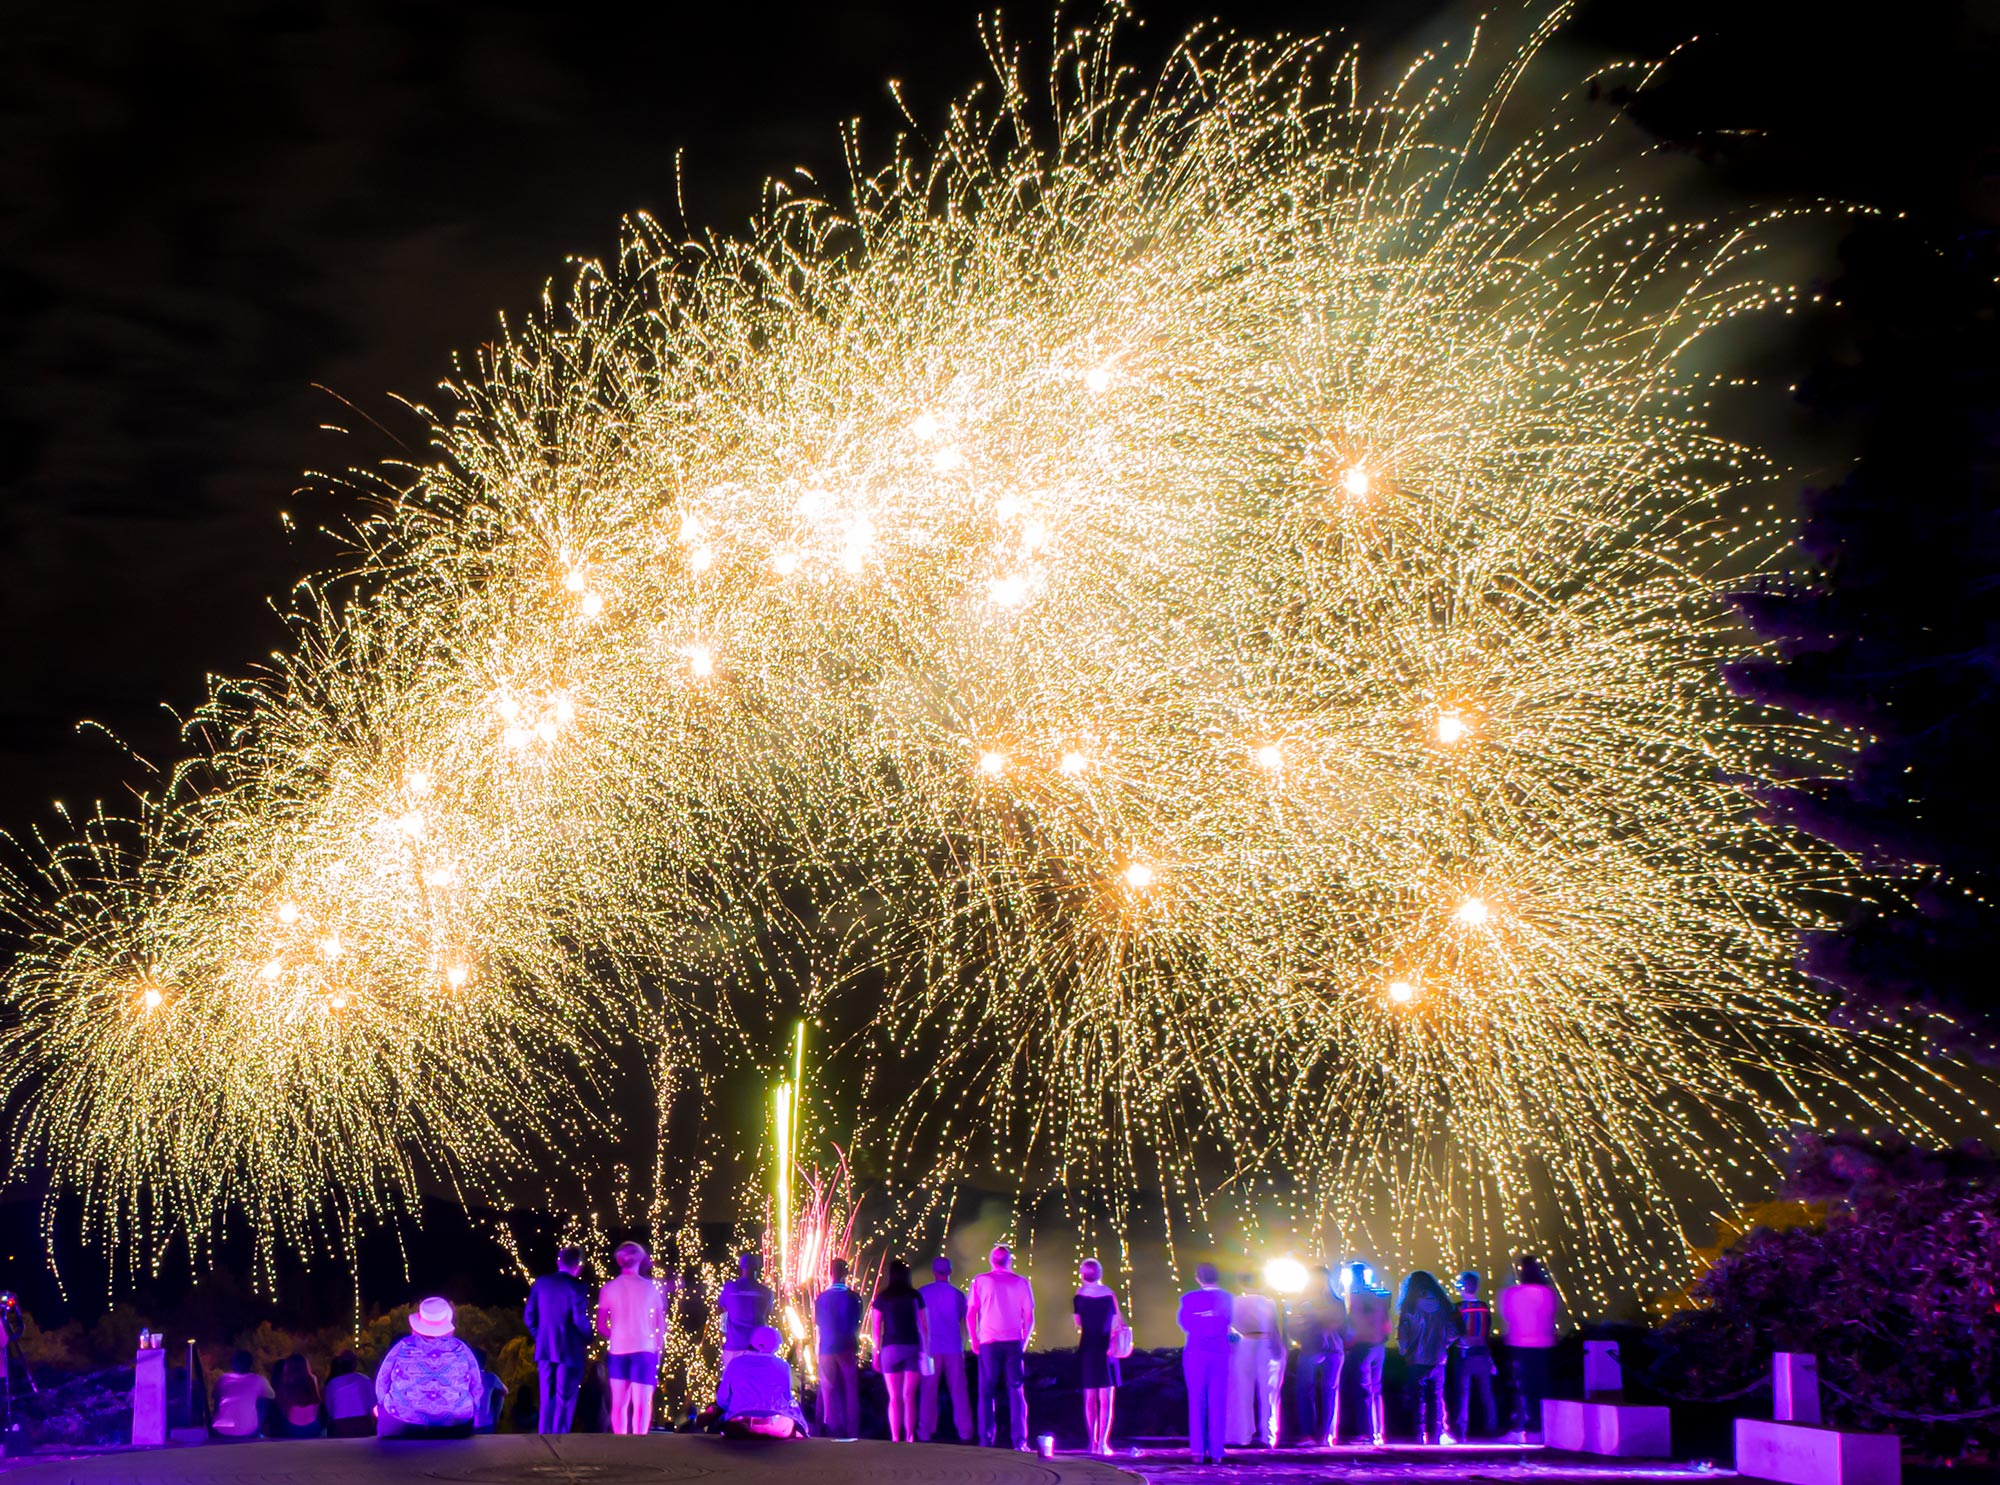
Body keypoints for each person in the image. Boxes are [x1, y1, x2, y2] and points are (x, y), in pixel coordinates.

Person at [375, 1297, 483, 1438]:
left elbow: (382, 1381)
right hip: (457, 1424)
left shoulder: (403, 1345)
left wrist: (382, 1405)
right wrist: (472, 1408)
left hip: (401, 1422)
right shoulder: (461, 1348)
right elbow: (477, 1386)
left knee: (386, 1416)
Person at [967, 1244, 1034, 1450]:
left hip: (988, 1342)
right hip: (1013, 1342)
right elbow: (1029, 1317)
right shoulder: (1021, 1282)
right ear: (1009, 1260)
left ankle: (986, 1440)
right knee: (1016, 1391)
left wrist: (974, 1339)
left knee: (986, 1392)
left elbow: (971, 1313)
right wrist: (1024, 1341)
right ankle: (1019, 1441)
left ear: (991, 1261)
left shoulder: (980, 1281)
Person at [598, 1241, 667, 1435]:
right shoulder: (651, 1288)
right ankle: (640, 1443)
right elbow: (660, 1325)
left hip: (618, 1351)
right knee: (642, 1404)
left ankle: (620, 1442)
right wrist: (658, 1351)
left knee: (619, 1404)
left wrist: (618, 1335)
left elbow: (601, 1326)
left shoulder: (609, 1288)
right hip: (645, 1351)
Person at [525, 1245, 593, 1434]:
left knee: (546, 1395)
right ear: (578, 1266)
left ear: (558, 1261)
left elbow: (529, 1315)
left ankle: (544, 1436)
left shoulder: (541, 1283)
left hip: (545, 1347)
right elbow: (579, 1319)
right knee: (565, 1396)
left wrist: (540, 1335)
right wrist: (588, 1337)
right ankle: (560, 1439)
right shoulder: (578, 1286)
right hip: (570, 1349)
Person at [1177, 1262, 1234, 1467]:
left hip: (1196, 1352)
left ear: (1197, 1278)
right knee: (1218, 1400)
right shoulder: (1227, 1298)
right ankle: (1217, 1451)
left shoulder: (1189, 1298)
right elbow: (1227, 1320)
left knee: (1196, 1400)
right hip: (1219, 1352)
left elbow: (1185, 1323)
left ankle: (1198, 1451)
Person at [1499, 1254, 1559, 1443]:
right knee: (1542, 1387)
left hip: (1520, 1344)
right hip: (1543, 1345)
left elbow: (1507, 1315)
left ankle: (1521, 1428)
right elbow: (1551, 1317)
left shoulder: (1513, 1293)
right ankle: (1543, 1428)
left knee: (1521, 1387)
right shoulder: (1547, 1293)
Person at [1396, 1270, 1462, 1445]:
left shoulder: (1410, 1306)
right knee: (1436, 1398)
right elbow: (1454, 1332)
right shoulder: (1443, 1306)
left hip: (1415, 1358)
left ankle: (1418, 1436)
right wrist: (1444, 1345)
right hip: (1438, 1358)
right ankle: (1435, 1436)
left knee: (1418, 1399)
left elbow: (1403, 1334)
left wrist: (1404, 1350)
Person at [717, 1324, 809, 1438]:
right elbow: (787, 1397)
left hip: (739, 1425)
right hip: (775, 1426)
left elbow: (722, 1399)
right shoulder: (782, 1365)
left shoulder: (735, 1363)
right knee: (794, 1414)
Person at [1072, 1258, 1124, 1456]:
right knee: (1106, 1399)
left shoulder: (1079, 1296)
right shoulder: (1109, 1295)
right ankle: (1103, 1443)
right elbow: (1115, 1322)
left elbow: (1078, 1322)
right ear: (1100, 1273)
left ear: (1083, 1275)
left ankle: (1091, 1442)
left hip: (1087, 1348)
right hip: (1106, 1348)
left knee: (1089, 1398)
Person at [1290, 1265, 1347, 1447]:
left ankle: (1324, 1435)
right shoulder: (1302, 1302)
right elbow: (1294, 1327)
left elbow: (1337, 1322)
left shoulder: (1335, 1301)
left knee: (1328, 1391)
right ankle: (1308, 1434)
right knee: (1304, 1390)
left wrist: (1313, 1315)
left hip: (1332, 1350)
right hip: (1310, 1348)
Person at [1226, 1273, 1283, 1448]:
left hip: (1245, 1343)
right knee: (1269, 1392)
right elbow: (1276, 1328)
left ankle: (1244, 1435)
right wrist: (1280, 1349)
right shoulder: (1269, 1303)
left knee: (1244, 1391)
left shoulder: (1235, 1302)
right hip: (1265, 1343)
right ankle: (1269, 1436)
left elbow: (1229, 1327)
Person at [918, 1256, 971, 1443]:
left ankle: (925, 1431)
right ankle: (965, 1431)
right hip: (953, 1348)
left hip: (930, 1349)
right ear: (950, 1272)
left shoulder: (922, 1293)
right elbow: (965, 1324)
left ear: (934, 1272)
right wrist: (964, 1347)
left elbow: (918, 1323)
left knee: (928, 1391)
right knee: (959, 1391)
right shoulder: (957, 1295)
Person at [870, 1259, 924, 1441]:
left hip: (890, 1349)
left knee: (894, 1397)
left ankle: (895, 1436)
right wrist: (925, 1350)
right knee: (909, 1396)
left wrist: (875, 1353)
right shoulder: (915, 1296)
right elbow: (923, 1326)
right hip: (911, 1346)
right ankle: (909, 1436)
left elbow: (876, 1328)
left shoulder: (882, 1297)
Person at [815, 1257, 864, 1439]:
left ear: (830, 1273)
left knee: (827, 1389)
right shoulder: (853, 1297)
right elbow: (857, 1323)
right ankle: (852, 1429)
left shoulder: (822, 1298)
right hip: (847, 1346)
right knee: (851, 1388)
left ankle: (831, 1427)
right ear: (846, 1274)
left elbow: (819, 1324)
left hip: (826, 1347)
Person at [1345, 1262, 1392, 1446]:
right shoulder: (1379, 1294)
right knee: (1376, 1390)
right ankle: (1378, 1431)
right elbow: (1385, 1319)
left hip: (1363, 1345)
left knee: (1363, 1390)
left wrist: (1350, 1341)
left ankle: (1367, 1433)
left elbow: (1354, 1321)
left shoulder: (1355, 1295)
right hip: (1379, 1345)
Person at [1452, 1270, 1498, 1442]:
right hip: (1483, 1355)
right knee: (1487, 1394)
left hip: (1465, 1355)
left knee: (1462, 1394)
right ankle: (1492, 1428)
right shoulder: (1484, 1307)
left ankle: (1460, 1432)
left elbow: (1454, 1332)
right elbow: (1486, 1333)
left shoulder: (1458, 1308)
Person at [718, 1252, 777, 1373]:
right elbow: (767, 1315)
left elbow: (721, 1310)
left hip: (734, 1347)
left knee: (732, 1387)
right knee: (755, 1388)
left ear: (741, 1266)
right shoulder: (766, 1292)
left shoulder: (730, 1288)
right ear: (757, 1267)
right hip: (758, 1348)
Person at [210, 1350, 273, 1440]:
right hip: (248, 1431)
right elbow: (272, 1397)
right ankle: (258, 1428)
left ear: (233, 1363)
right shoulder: (258, 1380)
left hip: (221, 1430)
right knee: (264, 1399)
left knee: (221, 1399)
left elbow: (215, 1399)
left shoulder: (223, 1379)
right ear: (250, 1364)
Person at [271, 1353, 323, 1438]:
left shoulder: (286, 1381)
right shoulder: (312, 1379)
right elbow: (317, 1402)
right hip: (313, 1427)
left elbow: (281, 1405)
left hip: (292, 1428)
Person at [324, 1350, 375, 1438]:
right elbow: (372, 1404)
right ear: (355, 1364)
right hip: (362, 1424)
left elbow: (329, 1408)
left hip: (340, 1425)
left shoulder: (333, 1384)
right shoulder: (364, 1380)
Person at [471, 1346, 508, 1434]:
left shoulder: (467, 1378)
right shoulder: (491, 1377)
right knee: (500, 1394)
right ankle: (495, 1420)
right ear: (485, 1363)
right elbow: (505, 1391)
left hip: (469, 1425)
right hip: (487, 1425)